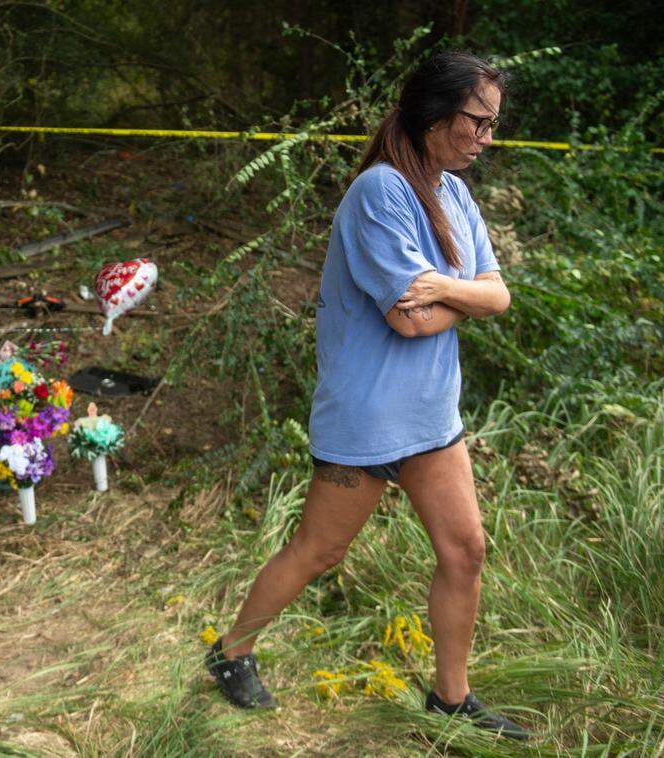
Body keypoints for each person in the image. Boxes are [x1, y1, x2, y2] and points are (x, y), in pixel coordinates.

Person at [205, 51, 531, 741]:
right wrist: (460, 296)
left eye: (493, 126)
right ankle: (231, 652)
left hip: (430, 417)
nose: (485, 138)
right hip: (367, 416)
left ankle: (450, 701)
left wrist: (445, 288)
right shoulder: (379, 193)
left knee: (465, 550)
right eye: (477, 122)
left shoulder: (456, 194)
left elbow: (498, 296)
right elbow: (406, 319)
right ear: (433, 113)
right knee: (319, 552)